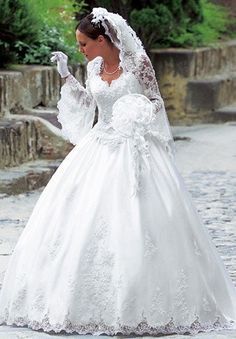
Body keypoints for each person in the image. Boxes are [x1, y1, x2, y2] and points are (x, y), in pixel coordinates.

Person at [0, 7, 236, 336]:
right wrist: (67, 76)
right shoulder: (94, 65)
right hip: (99, 147)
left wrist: (138, 110)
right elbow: (89, 103)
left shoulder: (138, 62)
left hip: (135, 147)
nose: (80, 49)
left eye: (83, 44)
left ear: (103, 39)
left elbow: (155, 100)